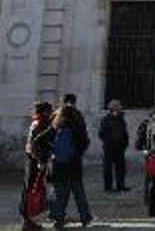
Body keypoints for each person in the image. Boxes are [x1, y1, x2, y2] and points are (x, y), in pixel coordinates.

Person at [49, 94, 93, 228]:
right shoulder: (78, 119)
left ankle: (58, 219)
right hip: (74, 162)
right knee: (79, 192)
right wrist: (78, 153)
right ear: (74, 102)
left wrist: (52, 153)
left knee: (59, 192)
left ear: (63, 102)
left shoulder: (56, 119)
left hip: (58, 163)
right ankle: (85, 218)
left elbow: (45, 139)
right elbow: (84, 141)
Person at [21, 101, 54, 229]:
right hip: (34, 161)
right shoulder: (39, 123)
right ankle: (27, 219)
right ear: (44, 112)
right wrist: (40, 161)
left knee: (32, 188)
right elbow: (33, 145)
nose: (51, 113)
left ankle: (29, 219)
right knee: (30, 189)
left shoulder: (38, 122)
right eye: (49, 111)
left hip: (35, 160)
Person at [98, 99, 130, 193]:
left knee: (121, 167)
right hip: (109, 146)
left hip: (120, 146)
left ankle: (121, 185)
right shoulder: (105, 119)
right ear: (112, 108)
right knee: (108, 168)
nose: (119, 107)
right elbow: (101, 133)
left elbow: (124, 132)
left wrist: (125, 143)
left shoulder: (121, 119)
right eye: (117, 105)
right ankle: (108, 187)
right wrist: (109, 140)